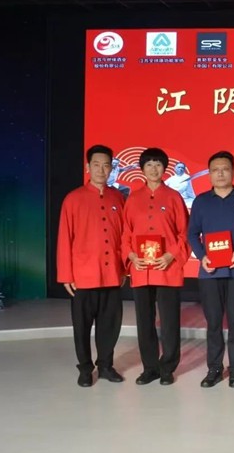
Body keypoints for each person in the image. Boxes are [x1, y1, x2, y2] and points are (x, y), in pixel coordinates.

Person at [187, 151, 234, 389]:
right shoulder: (201, 201)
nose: (220, 174)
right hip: (209, 272)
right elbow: (192, 234)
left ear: (233, 171)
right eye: (215, 170)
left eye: (225, 169)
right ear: (209, 174)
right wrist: (202, 256)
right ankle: (215, 368)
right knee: (213, 323)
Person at [57, 144, 126, 387]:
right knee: (82, 326)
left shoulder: (118, 198)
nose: (101, 169)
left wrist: (124, 268)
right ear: (88, 167)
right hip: (83, 275)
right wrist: (66, 275)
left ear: (111, 168)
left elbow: (124, 236)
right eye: (96, 164)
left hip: (111, 273)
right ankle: (85, 369)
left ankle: (105, 365)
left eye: (106, 165)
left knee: (110, 324)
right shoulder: (73, 198)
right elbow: (64, 238)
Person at [121, 147, 189, 386]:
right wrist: (131, 256)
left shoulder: (174, 197)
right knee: (144, 321)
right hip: (141, 269)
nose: (153, 169)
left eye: (158, 164)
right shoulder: (133, 198)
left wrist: (171, 255)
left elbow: (184, 233)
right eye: (149, 164)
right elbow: (125, 233)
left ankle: (167, 367)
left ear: (164, 168)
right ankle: (150, 368)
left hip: (167, 269)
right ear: (142, 169)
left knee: (169, 321)